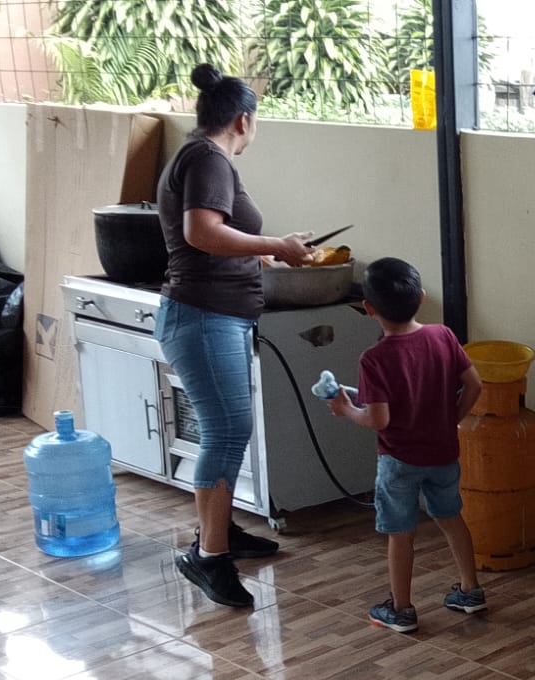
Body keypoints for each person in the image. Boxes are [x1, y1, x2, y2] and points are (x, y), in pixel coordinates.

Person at [158, 63, 314, 609]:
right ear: (243, 120)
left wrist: (271, 253)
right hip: (204, 317)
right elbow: (202, 233)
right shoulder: (208, 158)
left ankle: (219, 532)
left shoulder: (198, 155)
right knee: (226, 431)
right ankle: (209, 556)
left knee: (226, 430)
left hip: (211, 316)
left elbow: (219, 237)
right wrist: (275, 243)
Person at [326, 257, 487, 633]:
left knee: (401, 532)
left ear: (368, 308)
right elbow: (475, 385)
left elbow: (378, 419)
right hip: (443, 453)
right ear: (422, 297)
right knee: (451, 518)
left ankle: (401, 609)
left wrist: (346, 410)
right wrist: (451, 419)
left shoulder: (374, 359)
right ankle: (471, 590)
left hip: (399, 460)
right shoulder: (443, 336)